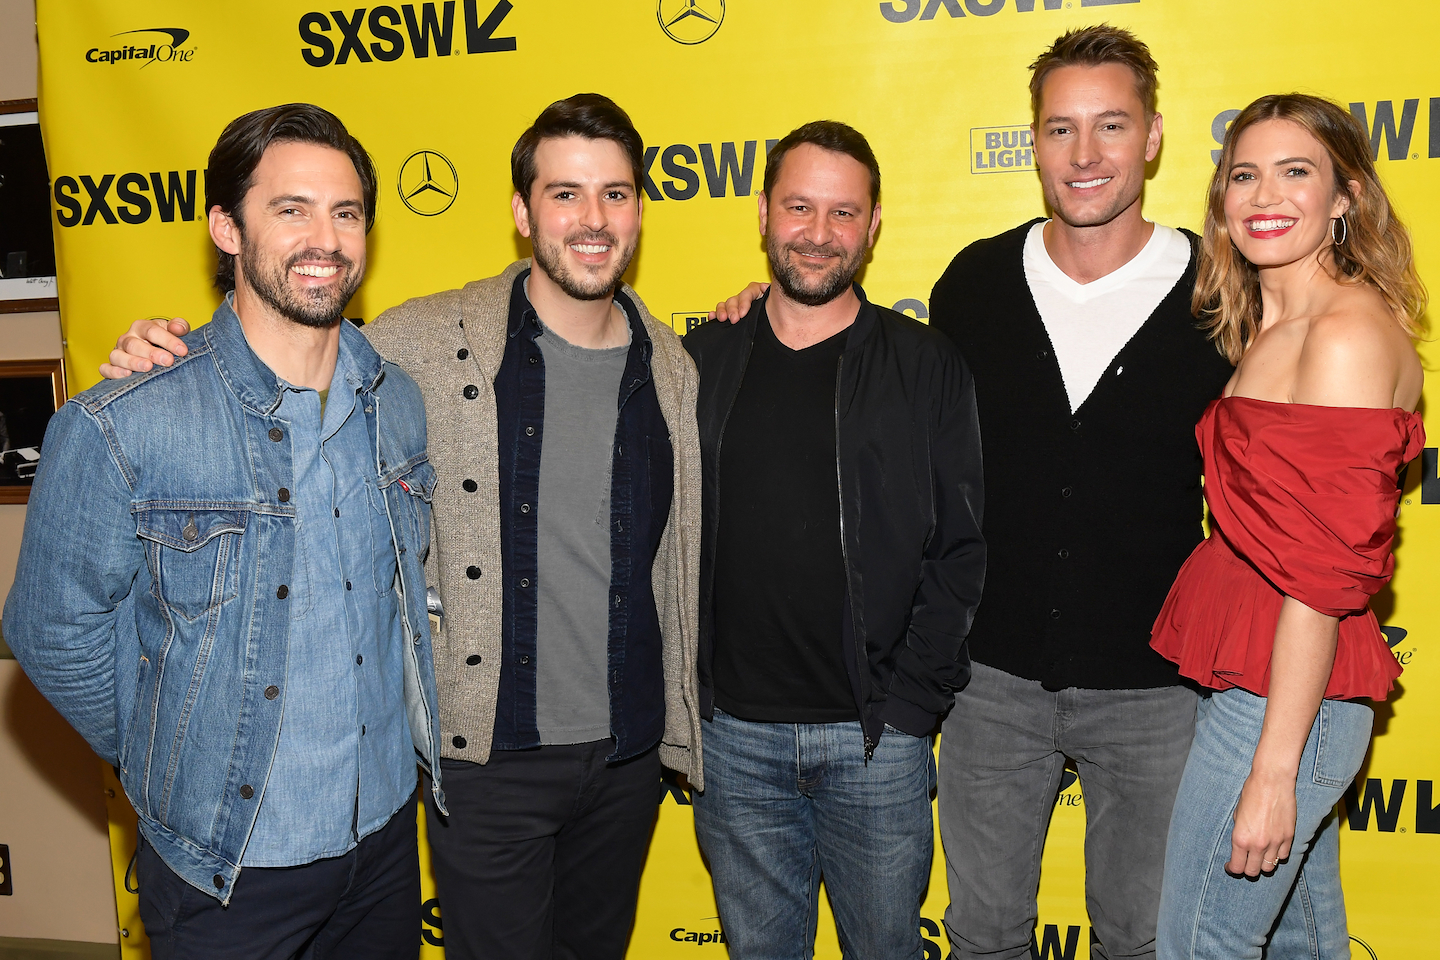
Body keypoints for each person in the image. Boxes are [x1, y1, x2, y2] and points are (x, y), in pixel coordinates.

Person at [99, 93, 702, 960]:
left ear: (641, 208)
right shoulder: (423, 339)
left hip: (627, 753)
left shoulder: (672, 366)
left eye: (616, 193)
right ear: (521, 210)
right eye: (565, 193)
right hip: (487, 758)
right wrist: (162, 356)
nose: (593, 218)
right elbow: (277, 352)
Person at [708, 26, 1234, 960]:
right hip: (990, 686)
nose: (1085, 154)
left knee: (1147, 939)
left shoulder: (1218, 290)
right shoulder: (977, 284)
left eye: (1111, 125)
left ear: (1152, 137)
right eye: (1060, 128)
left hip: (1158, 683)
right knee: (984, 935)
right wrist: (757, 314)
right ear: (1032, 141)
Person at [4, 103, 445, 958]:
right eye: (291, 209)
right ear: (226, 228)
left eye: (345, 212)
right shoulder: (126, 423)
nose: (325, 237)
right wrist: (173, 751)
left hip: (386, 837)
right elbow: (51, 632)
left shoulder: (396, 404)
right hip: (230, 862)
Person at [685, 120, 986, 960]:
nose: (818, 235)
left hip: (875, 744)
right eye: (800, 208)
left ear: (875, 223)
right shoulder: (698, 359)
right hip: (732, 741)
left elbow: (961, 551)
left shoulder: (925, 364)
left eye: (843, 214)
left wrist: (908, 712)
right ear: (762, 213)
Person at [1151, 93, 1425, 960]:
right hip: (1266, 681)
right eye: (1244, 174)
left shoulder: (1344, 336)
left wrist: (1274, 770)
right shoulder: (1272, 325)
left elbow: (1315, 573)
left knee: (1199, 944)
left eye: (1296, 171)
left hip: (1282, 699)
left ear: (1345, 199)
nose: (1265, 194)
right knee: (1306, 941)